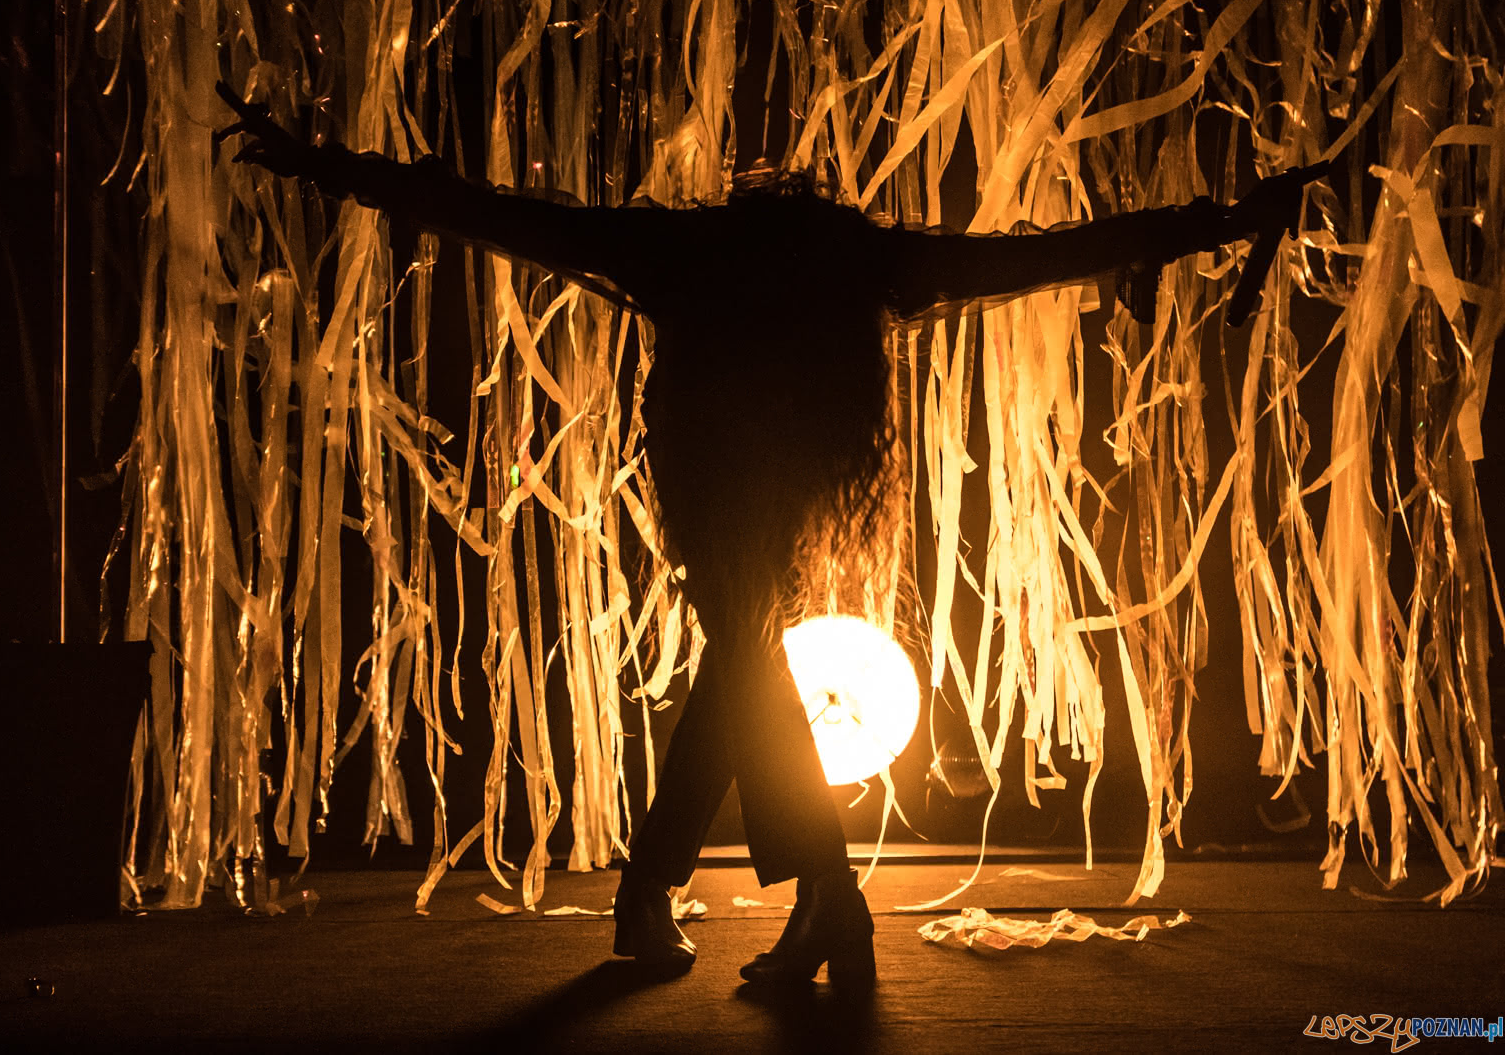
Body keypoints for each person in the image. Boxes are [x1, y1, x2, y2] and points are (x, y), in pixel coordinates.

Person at [216, 81, 1321, 989]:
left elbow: (489, 209)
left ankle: (710, 897)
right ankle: (803, 904)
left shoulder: (690, 254)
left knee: (743, 667)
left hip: (717, 485)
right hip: (781, 485)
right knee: (746, 665)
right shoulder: (858, 263)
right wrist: (1214, 220)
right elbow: (1058, 251)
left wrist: (320, 161)